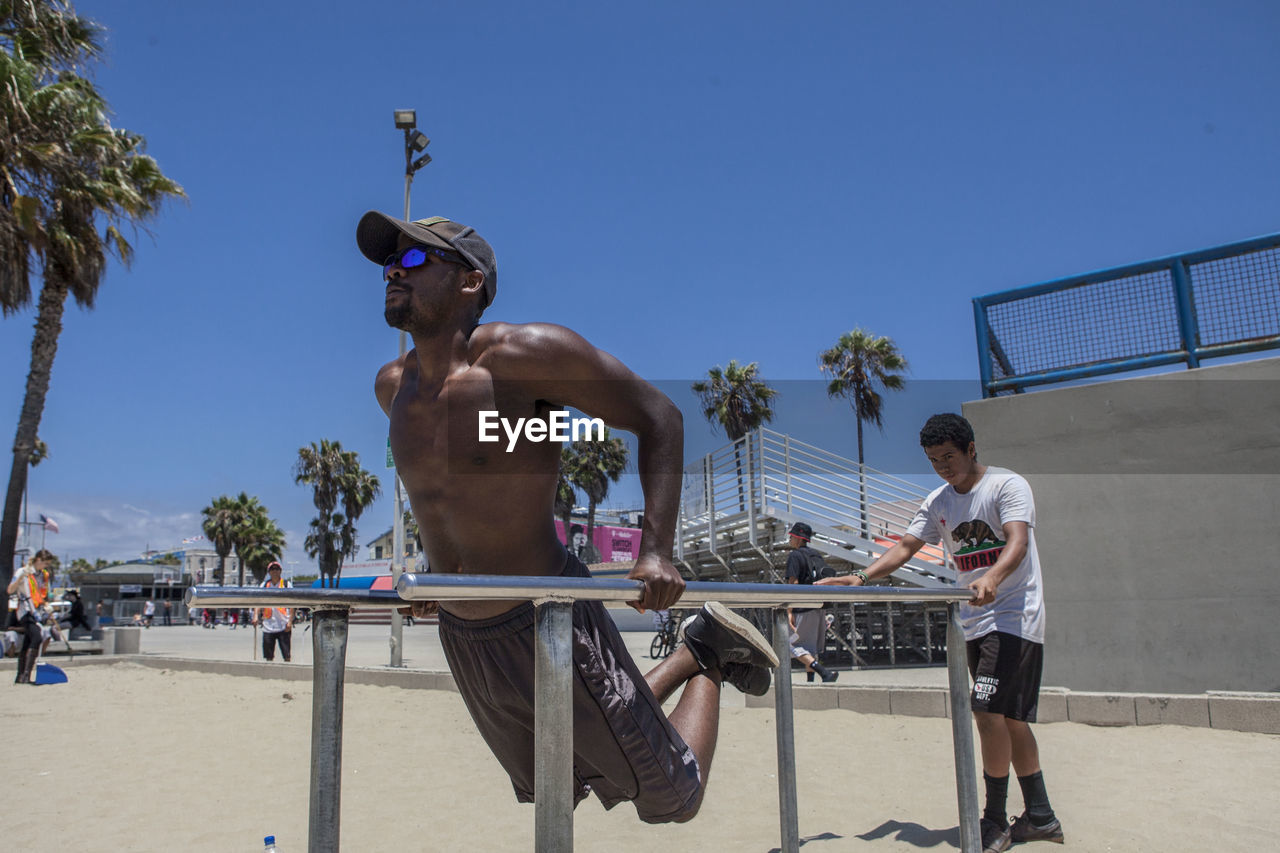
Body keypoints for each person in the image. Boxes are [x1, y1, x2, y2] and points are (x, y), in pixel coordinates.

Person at [361, 210, 778, 823]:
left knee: (672, 797)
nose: (396, 269)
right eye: (391, 261)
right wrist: (434, 570)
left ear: (470, 282)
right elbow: (448, 492)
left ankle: (706, 659)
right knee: (555, 781)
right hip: (463, 630)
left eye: (417, 258)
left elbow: (659, 417)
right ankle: (694, 653)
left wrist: (655, 550)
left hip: (545, 614)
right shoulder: (392, 388)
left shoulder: (522, 357)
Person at [817, 413, 1063, 852]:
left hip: (1014, 615)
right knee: (1010, 717)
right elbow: (907, 546)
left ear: (971, 449)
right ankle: (1041, 816)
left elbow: (1017, 542)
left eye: (949, 456)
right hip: (973, 620)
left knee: (987, 711)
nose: (943, 467)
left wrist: (993, 578)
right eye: (933, 460)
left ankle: (991, 820)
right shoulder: (938, 502)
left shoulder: (1007, 486)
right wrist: (863, 578)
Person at [782, 522, 838, 683]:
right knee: (810, 647)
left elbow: (793, 583)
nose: (790, 539)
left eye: (792, 536)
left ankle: (823, 672)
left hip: (803, 606)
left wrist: (789, 610)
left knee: (790, 644)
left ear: (798, 539)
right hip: (819, 605)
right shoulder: (817, 555)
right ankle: (810, 681)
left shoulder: (795, 555)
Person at [6, 549, 53, 683]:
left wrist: (46, 605)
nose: (46, 566)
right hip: (24, 611)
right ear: (38, 560)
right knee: (37, 637)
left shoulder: (42, 575)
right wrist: (21, 578)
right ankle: (26, 675)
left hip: (36, 611)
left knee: (28, 641)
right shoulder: (23, 571)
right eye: (45, 563)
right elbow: (10, 590)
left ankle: (21, 676)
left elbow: (41, 594)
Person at [255, 562, 292, 662]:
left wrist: (290, 621)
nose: (274, 571)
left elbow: (293, 605)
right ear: (269, 572)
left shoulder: (286, 584)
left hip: (283, 624)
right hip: (268, 625)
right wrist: (255, 616)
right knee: (268, 654)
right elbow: (259, 601)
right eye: (272, 569)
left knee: (286, 653)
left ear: (280, 571)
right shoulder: (264, 585)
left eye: (277, 569)